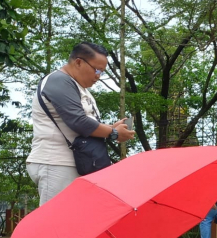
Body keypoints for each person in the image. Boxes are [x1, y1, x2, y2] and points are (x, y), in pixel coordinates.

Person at [27, 41, 136, 205]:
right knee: (57, 225)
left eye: (102, 72)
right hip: (56, 163)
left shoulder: (79, 87)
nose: (98, 76)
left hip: (75, 163)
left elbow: (84, 124)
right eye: (97, 70)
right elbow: (78, 121)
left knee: (76, 224)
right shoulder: (59, 80)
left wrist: (111, 129)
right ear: (78, 62)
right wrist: (113, 133)